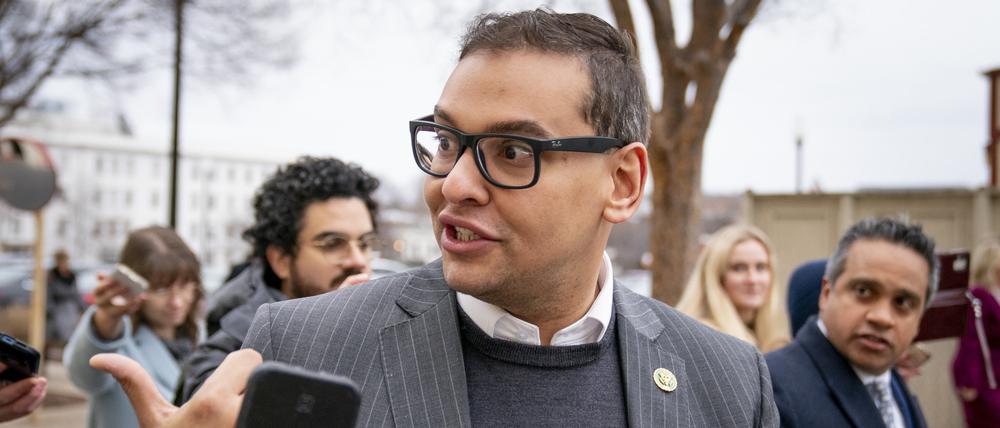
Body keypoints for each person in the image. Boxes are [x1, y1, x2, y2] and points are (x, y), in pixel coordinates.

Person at [91, 9, 778, 427]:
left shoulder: (728, 380)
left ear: (622, 183)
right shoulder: (300, 348)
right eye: (448, 142)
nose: (454, 184)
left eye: (512, 152)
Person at [175, 156, 379, 403]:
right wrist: (320, 338)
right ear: (281, 259)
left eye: (365, 243)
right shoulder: (229, 350)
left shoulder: (377, 327)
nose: (357, 260)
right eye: (333, 244)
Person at [766, 218, 936, 428]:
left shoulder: (889, 380)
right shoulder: (769, 390)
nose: (882, 317)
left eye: (902, 302)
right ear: (826, 294)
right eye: (863, 291)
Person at [64, 226, 203, 428]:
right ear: (134, 286)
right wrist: (105, 319)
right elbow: (84, 377)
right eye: (162, 289)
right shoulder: (114, 339)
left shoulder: (205, 336)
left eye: (184, 286)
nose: (176, 302)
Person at [676, 224, 791, 352]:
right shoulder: (702, 336)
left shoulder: (771, 338)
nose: (752, 279)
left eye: (760, 267)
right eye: (739, 268)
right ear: (716, 276)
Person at [952, 239, 1000, 428]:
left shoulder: (995, 294)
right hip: (984, 381)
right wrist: (969, 380)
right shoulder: (978, 295)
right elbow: (970, 339)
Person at [46, 249, 86, 357]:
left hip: (70, 309)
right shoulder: (51, 276)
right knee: (56, 332)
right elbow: (48, 294)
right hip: (57, 309)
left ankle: (69, 354)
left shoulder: (71, 276)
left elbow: (77, 294)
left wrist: (82, 309)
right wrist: (50, 310)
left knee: (71, 333)